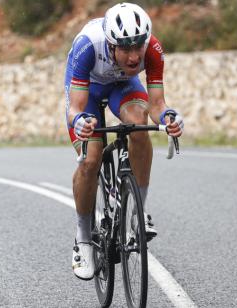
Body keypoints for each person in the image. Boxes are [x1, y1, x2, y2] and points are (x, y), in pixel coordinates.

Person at [64, 2, 184, 280]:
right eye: (125, 48)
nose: (133, 57)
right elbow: (75, 108)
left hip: (123, 87)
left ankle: (137, 214)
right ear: (110, 44)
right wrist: (80, 121)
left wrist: (168, 117)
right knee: (91, 158)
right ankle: (82, 237)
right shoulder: (87, 46)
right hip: (88, 91)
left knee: (140, 126)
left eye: (138, 46)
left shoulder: (152, 50)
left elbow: (157, 104)